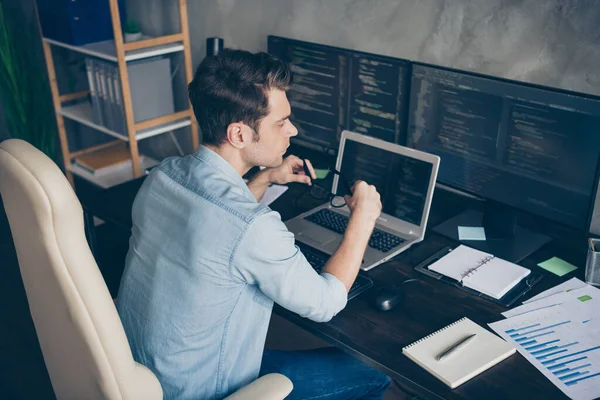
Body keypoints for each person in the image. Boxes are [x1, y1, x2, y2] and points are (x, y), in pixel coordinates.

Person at [116, 48, 390, 400]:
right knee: (372, 372)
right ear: (239, 135)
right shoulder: (253, 227)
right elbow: (325, 302)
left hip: (147, 375)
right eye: (280, 122)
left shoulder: (163, 176)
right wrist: (364, 218)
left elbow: (214, 217)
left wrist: (265, 178)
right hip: (207, 390)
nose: (293, 129)